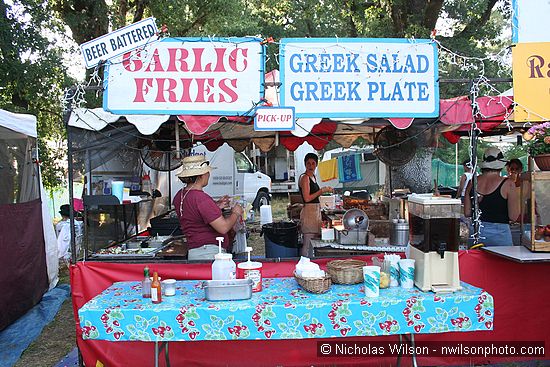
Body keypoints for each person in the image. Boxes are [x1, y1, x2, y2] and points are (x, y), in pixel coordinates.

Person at [173, 154, 244, 260]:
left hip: (194, 250)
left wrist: (215, 206)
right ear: (201, 175)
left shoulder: (180, 195)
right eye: (207, 172)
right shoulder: (201, 199)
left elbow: (195, 214)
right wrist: (236, 213)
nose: (209, 175)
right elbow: (223, 227)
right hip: (209, 252)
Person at [464, 147, 520, 246]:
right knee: (501, 262)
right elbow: (514, 216)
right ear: (501, 165)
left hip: (476, 232)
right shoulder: (508, 184)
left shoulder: (472, 182)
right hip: (500, 235)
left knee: (475, 261)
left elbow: (467, 212)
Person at [299, 153, 333, 257]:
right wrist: (321, 191)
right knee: (307, 243)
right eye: (308, 163)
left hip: (314, 212)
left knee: (313, 242)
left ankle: (310, 262)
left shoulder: (313, 176)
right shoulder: (304, 178)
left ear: (316, 165)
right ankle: (304, 263)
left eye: (313, 163)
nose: (310, 166)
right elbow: (307, 198)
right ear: (305, 164)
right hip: (309, 213)